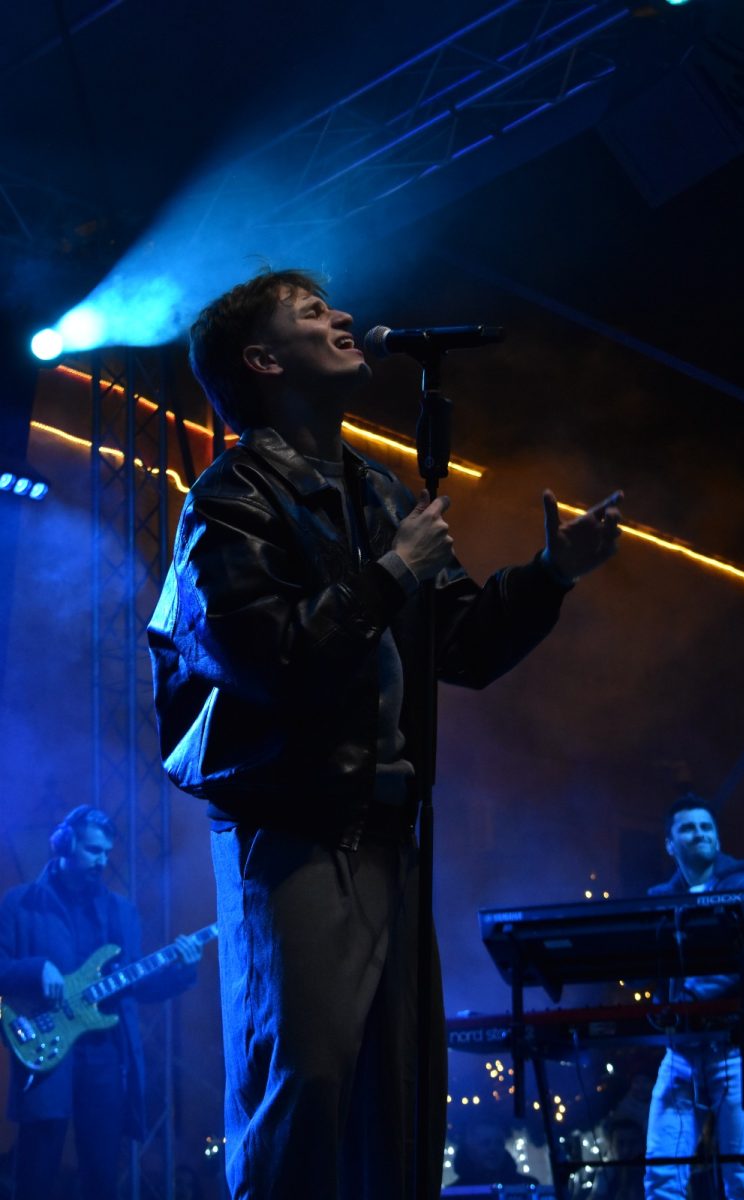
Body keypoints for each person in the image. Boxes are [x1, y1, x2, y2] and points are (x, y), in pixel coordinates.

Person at [147, 267, 623, 1200]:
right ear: (263, 361)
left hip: (388, 827)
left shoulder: (379, 495)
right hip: (296, 827)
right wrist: (391, 574)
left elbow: (464, 645)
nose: (345, 318)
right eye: (312, 313)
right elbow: (268, 659)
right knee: (306, 1082)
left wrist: (549, 576)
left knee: (395, 1100)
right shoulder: (230, 500)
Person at [0, 805, 204, 1200]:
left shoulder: (120, 911)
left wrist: (182, 969)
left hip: (105, 1055)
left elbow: (135, 986)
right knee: (36, 1174)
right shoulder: (20, 903)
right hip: (45, 1052)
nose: (102, 861)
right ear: (64, 844)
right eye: (94, 850)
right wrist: (36, 968)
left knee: (102, 1176)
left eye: (107, 852)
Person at [644, 796, 744, 1200]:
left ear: (717, 837)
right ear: (670, 844)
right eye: (688, 828)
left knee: (743, 1178)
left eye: (706, 827)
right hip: (680, 1050)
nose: (700, 833)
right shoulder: (659, 897)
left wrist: (683, 999)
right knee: (662, 1176)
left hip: (735, 1047)